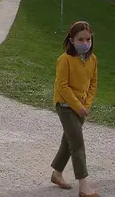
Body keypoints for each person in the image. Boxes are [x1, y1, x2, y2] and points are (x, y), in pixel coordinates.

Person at [49, 21, 100, 197]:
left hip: (81, 107)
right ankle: (84, 185)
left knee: (69, 140)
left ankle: (57, 173)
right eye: (80, 39)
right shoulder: (64, 60)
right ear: (71, 40)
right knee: (77, 142)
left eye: (88, 39)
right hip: (65, 106)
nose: (85, 43)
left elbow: (93, 83)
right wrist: (78, 107)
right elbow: (63, 86)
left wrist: (86, 105)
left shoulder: (93, 59)